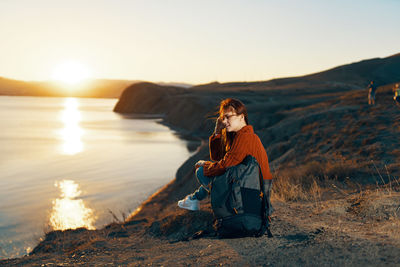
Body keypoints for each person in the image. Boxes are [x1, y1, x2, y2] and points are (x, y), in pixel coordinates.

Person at [177, 98, 273, 211]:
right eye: (223, 118)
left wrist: (204, 166)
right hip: (252, 189)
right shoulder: (241, 135)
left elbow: (225, 166)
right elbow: (217, 156)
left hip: (253, 193)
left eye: (228, 117)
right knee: (215, 172)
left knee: (202, 171)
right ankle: (194, 199)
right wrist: (217, 131)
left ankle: (194, 199)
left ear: (241, 116)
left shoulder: (245, 137)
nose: (225, 121)